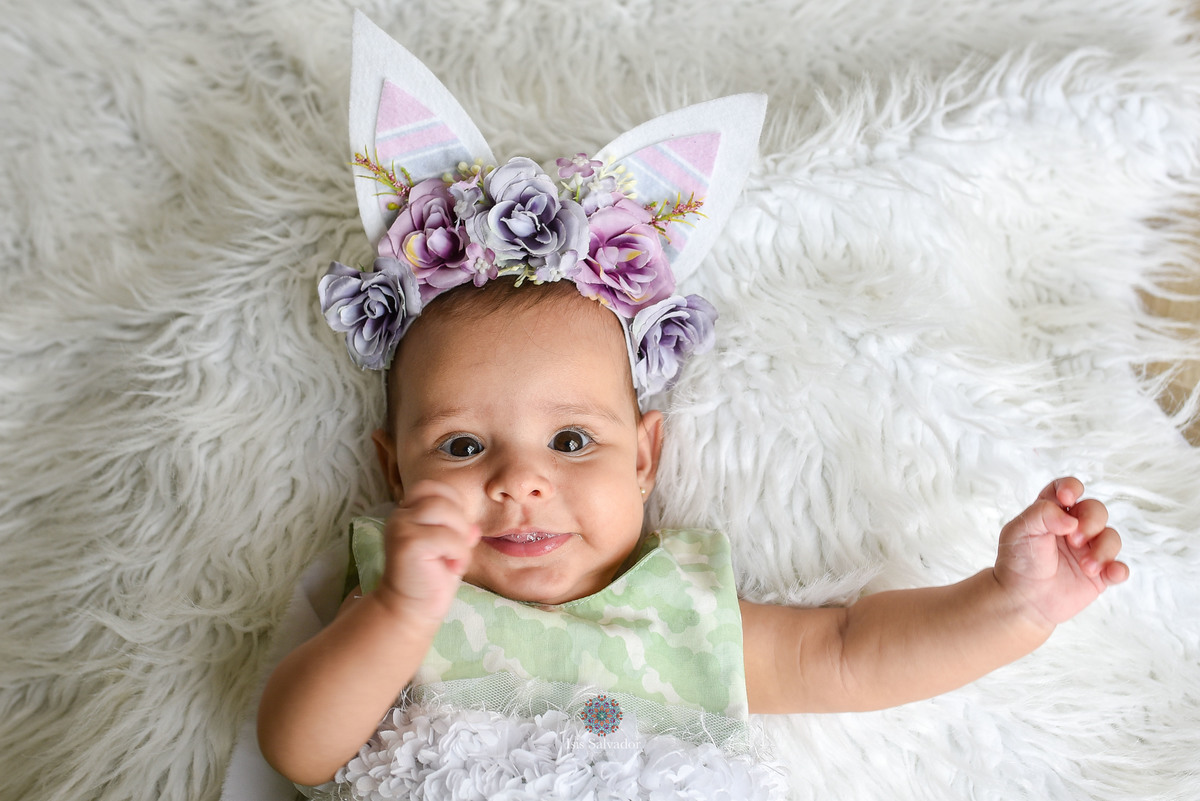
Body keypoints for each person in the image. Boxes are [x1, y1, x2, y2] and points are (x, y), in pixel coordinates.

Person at [255, 15, 1129, 798]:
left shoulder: (682, 612)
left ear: (644, 457)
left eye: (570, 439)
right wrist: (400, 613)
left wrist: (1009, 605)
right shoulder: (403, 602)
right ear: (392, 467)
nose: (520, 481)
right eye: (461, 446)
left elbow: (848, 652)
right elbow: (299, 748)